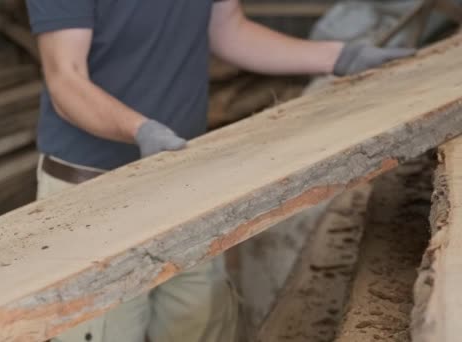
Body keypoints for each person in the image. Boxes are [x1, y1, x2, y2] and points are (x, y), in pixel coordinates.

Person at [26, 1, 414, 341]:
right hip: (93, 194)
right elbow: (66, 78)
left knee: (202, 324)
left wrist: (338, 57)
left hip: (180, 178)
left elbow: (230, 31)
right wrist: (138, 129)